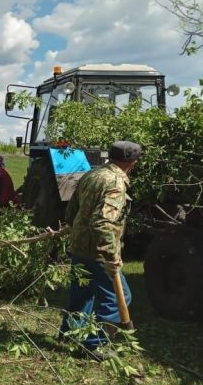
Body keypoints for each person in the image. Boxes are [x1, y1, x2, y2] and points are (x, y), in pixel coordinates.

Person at [59, 141, 142, 355]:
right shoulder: (115, 182)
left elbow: (71, 211)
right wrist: (110, 256)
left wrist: (76, 230)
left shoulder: (92, 174)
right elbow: (103, 223)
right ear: (132, 163)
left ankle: (70, 335)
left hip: (79, 246)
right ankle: (95, 345)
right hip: (97, 251)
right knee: (118, 297)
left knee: (82, 294)